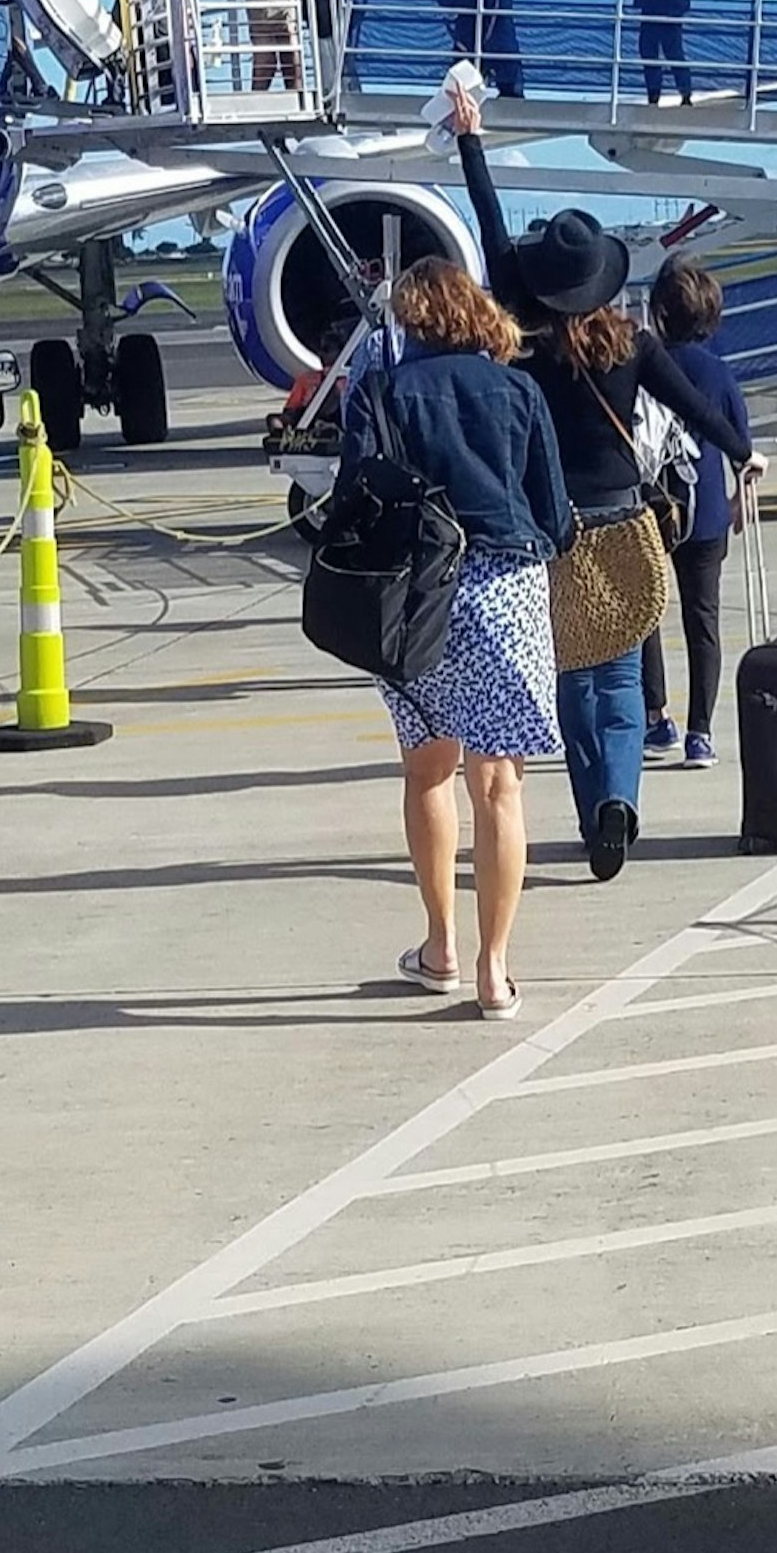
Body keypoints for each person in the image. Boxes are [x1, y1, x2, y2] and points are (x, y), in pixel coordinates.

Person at [448, 75, 747, 878]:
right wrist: (743, 451)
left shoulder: (522, 343)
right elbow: (695, 411)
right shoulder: (632, 347)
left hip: (550, 531)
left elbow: (490, 230)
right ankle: (621, 795)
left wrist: (471, 137)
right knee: (621, 673)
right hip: (625, 526)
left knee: (574, 676)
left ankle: (593, 814)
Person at [345, 254, 571, 1020]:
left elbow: (358, 491)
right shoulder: (518, 388)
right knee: (499, 784)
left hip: (419, 597)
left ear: (411, 321)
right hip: (505, 588)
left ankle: (439, 943)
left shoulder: (384, 389)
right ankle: (494, 969)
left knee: (428, 771)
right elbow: (556, 516)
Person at [636, 257, 757, 768]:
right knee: (701, 621)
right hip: (704, 510)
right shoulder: (718, 374)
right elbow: (743, 451)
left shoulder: (641, 363)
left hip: (649, 508)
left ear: (660, 312)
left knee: (644, 616)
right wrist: (736, 505)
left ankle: (655, 716)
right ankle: (700, 732)